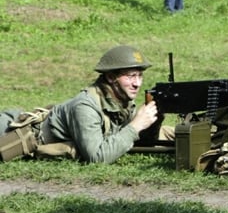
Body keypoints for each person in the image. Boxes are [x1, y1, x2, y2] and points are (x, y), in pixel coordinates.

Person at [0, 46, 170, 164]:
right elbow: (97, 157)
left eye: (140, 76)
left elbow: (136, 141)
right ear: (111, 78)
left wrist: (154, 120)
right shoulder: (86, 106)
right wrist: (135, 125)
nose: (137, 83)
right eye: (131, 76)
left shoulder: (121, 101)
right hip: (9, 131)